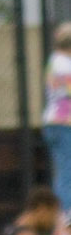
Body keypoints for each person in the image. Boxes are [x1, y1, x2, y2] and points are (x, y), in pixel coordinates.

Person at [43, 23, 71, 213]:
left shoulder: (55, 61)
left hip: (56, 123)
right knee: (67, 173)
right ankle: (66, 216)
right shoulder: (64, 65)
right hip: (64, 124)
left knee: (65, 172)